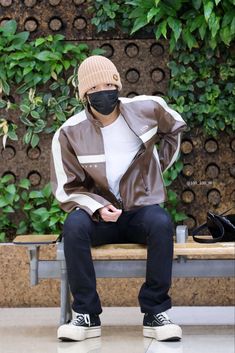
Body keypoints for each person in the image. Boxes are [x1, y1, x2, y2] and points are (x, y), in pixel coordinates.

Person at [50, 55, 187, 342]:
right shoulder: (69, 132)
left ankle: (155, 312)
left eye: (109, 84)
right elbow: (65, 187)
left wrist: (156, 168)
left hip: (139, 208)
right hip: (99, 215)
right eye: (95, 88)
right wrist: (97, 207)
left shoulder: (147, 108)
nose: (104, 91)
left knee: (161, 223)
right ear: (84, 95)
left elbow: (175, 126)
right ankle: (86, 316)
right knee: (73, 227)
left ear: (118, 84)